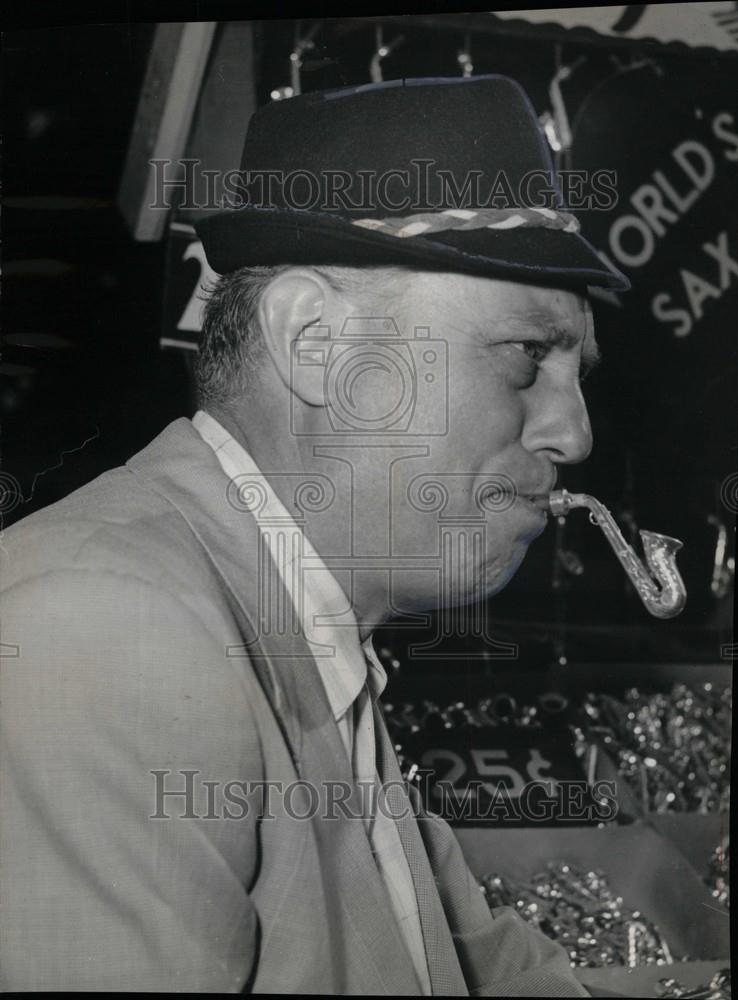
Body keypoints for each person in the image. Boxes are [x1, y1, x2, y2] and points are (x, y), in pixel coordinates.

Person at [0, 75, 628, 993]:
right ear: (315, 343)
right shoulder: (107, 634)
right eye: (527, 354)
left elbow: (476, 964)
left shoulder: (289, 617)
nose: (572, 435)